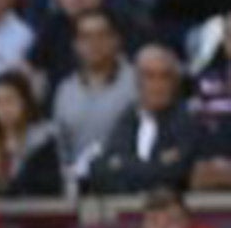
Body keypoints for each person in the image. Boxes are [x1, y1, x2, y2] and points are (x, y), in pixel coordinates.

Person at [84, 45, 206, 196]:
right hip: (124, 211)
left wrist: (123, 165)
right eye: (149, 76)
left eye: (165, 76)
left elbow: (173, 174)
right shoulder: (128, 117)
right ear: (137, 81)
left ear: (175, 82)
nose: (158, 85)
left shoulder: (187, 121)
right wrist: (152, 167)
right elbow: (99, 169)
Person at [51, 9, 136, 178]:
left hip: (129, 186)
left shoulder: (138, 82)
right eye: (86, 37)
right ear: (76, 44)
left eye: (102, 35)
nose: (94, 43)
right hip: (80, 187)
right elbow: (60, 147)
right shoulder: (65, 91)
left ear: (116, 40)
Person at [0, 70, 66, 199]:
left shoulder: (45, 141)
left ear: (25, 103)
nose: (4, 109)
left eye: (10, 101)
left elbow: (47, 187)